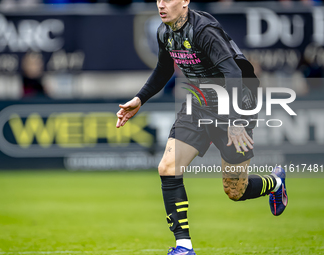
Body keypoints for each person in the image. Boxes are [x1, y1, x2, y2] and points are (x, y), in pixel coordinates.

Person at [116, 1, 288, 254]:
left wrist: (235, 120)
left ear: (185, 1)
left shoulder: (204, 30)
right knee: (167, 167)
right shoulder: (165, 31)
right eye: (158, 0)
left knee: (235, 190)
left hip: (237, 104)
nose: (161, 5)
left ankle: (274, 183)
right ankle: (183, 246)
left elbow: (232, 73)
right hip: (199, 104)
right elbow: (164, 70)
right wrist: (140, 99)